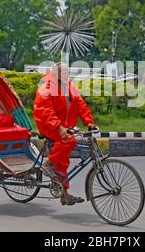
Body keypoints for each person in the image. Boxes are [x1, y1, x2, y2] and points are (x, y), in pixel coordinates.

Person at [33, 63, 97, 206]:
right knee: (69, 141)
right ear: (56, 74)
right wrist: (59, 127)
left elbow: (81, 106)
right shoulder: (46, 88)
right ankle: (48, 164)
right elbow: (45, 112)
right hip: (49, 125)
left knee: (62, 162)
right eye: (65, 73)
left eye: (68, 73)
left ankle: (65, 195)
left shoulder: (70, 86)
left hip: (65, 126)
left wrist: (88, 122)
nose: (68, 75)